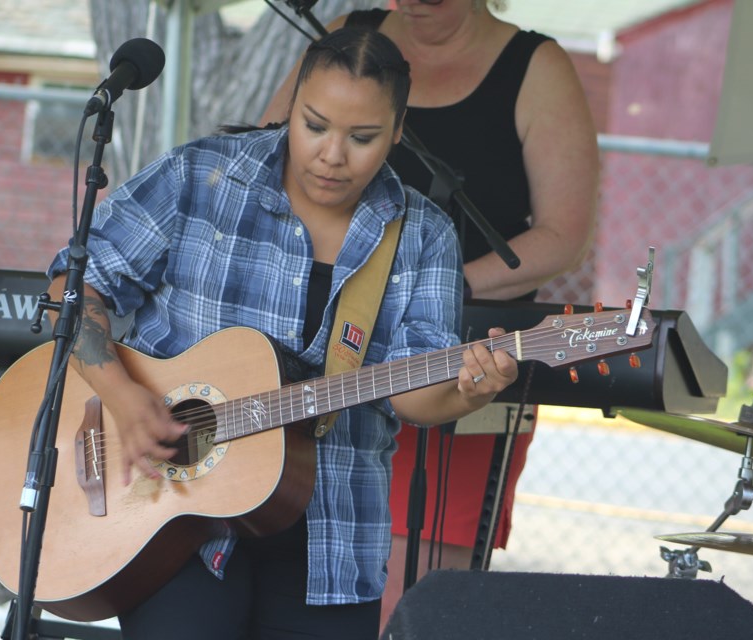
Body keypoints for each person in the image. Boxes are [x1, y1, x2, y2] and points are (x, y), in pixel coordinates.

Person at [46, 27, 518, 640]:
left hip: (330, 536)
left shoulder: (422, 235)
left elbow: (413, 393)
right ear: (291, 105)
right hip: (176, 519)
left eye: (363, 137)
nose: (332, 154)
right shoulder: (202, 176)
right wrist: (123, 396)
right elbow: (72, 289)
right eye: (315, 124)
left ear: (398, 132)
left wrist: (469, 391)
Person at [261, 0, 600, 629]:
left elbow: (562, 236)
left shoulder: (535, 65)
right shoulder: (347, 37)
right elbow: (266, 159)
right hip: (316, 344)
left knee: (427, 595)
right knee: (297, 557)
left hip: (473, 346)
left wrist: (429, 288)